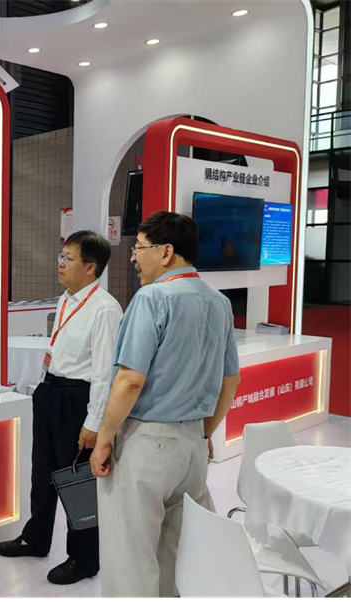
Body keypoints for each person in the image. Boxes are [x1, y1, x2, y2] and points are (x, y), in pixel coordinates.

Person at [90, 211, 242, 598]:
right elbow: (230, 380)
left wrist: (104, 438)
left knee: (130, 558)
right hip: (192, 446)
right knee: (175, 554)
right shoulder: (219, 303)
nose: (133, 257)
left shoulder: (152, 298)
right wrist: (205, 433)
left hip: (146, 444)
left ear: (166, 252)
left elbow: (130, 380)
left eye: (139, 248)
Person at [0, 231, 122, 585]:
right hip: (50, 391)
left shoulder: (105, 309)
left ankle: (84, 558)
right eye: (60, 256)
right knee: (42, 472)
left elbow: (104, 373)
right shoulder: (67, 299)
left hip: (77, 399)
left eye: (68, 258)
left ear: (90, 267)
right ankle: (36, 537)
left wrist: (94, 421)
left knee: (76, 480)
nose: (61, 263)